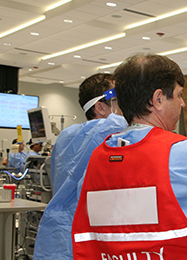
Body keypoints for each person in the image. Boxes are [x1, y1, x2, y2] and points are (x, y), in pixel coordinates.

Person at [71, 53, 187, 260]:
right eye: (178, 95)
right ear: (158, 99)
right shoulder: (185, 153)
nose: (182, 104)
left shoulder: (97, 159)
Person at [33, 73, 128, 260]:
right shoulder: (110, 128)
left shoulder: (67, 135)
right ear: (100, 107)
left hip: (60, 233)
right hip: (89, 236)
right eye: (119, 98)